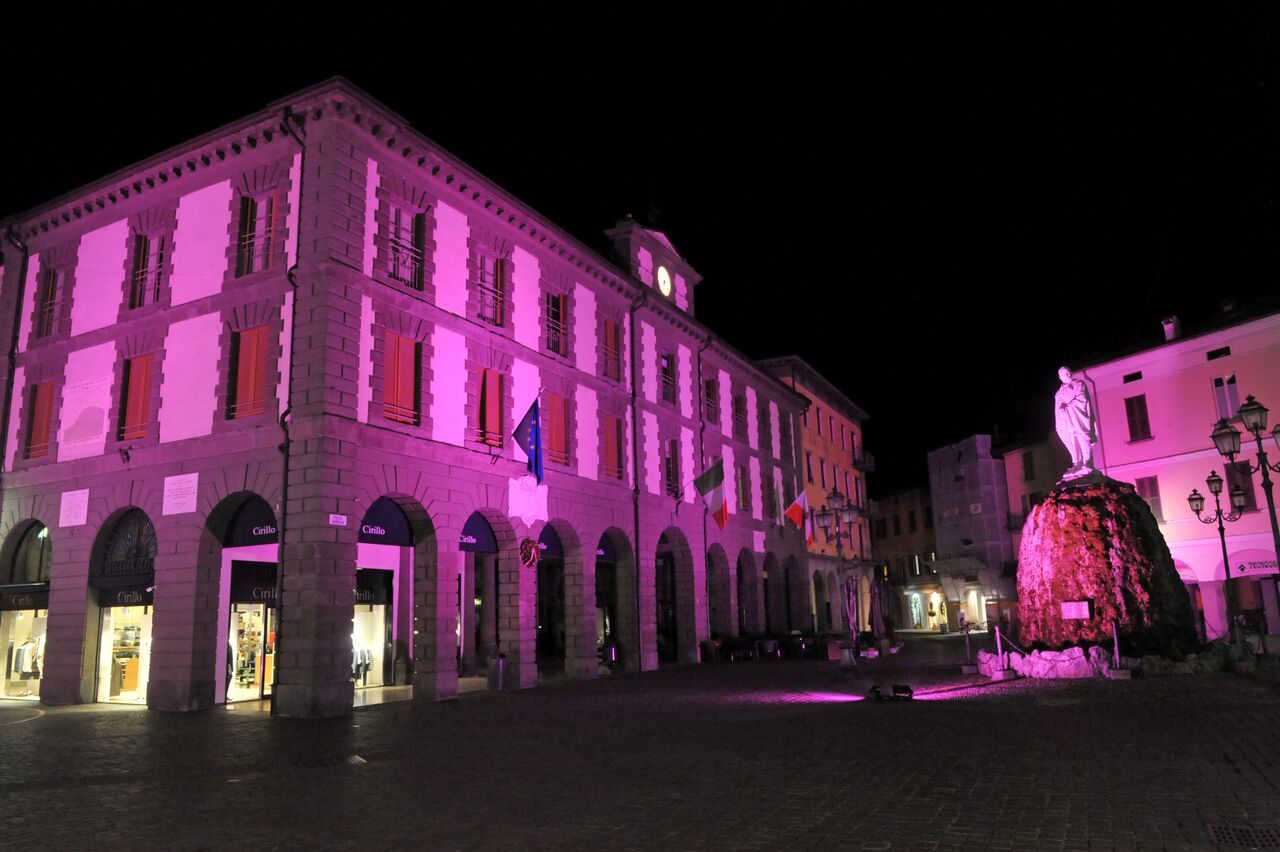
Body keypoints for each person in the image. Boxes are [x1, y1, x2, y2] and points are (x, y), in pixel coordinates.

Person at [1055, 366, 1095, 478]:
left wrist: (1068, 408)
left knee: (1082, 436)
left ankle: (1087, 462)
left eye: (1066, 373)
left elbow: (1082, 399)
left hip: (1077, 416)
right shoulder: (1059, 391)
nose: (1065, 376)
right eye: (1062, 375)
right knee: (1071, 440)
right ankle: (1077, 463)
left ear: (1070, 373)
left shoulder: (1078, 384)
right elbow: (1057, 407)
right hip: (1065, 421)